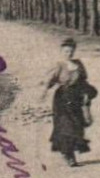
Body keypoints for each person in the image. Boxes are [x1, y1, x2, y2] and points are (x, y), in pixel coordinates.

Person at [41, 37, 97, 167]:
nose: (69, 54)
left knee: (77, 126)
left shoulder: (79, 64)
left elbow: (84, 81)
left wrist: (88, 93)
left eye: (71, 51)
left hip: (77, 99)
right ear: (62, 52)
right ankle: (69, 156)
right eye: (66, 51)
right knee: (66, 128)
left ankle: (69, 153)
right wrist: (43, 93)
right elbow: (50, 81)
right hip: (63, 100)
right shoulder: (59, 65)